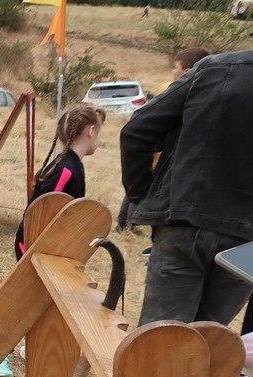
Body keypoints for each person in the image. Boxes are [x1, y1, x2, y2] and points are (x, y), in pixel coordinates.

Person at [123, 49, 253, 325]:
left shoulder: (215, 69)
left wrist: (142, 195)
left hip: (185, 224)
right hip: (245, 245)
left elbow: (137, 130)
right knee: (206, 347)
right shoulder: (215, 69)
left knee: (159, 343)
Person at [116, 47, 210, 232]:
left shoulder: (182, 100)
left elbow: (136, 131)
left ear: (188, 72)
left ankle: (131, 221)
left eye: (176, 67)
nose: (173, 71)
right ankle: (125, 222)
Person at [16, 104, 105, 259]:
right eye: (99, 133)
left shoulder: (72, 164)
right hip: (32, 249)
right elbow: (44, 212)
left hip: (47, 249)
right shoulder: (66, 170)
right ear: (91, 131)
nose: (100, 140)